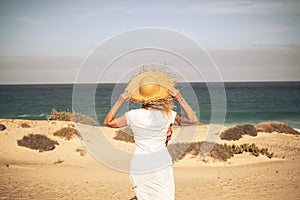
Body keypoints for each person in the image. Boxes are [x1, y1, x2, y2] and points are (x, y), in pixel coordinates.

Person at [104, 69, 198, 200]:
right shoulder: (168, 115)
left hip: (140, 164)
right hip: (161, 163)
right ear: (160, 96)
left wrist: (120, 101)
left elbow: (108, 122)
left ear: (142, 98)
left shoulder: (133, 115)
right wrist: (179, 99)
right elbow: (193, 120)